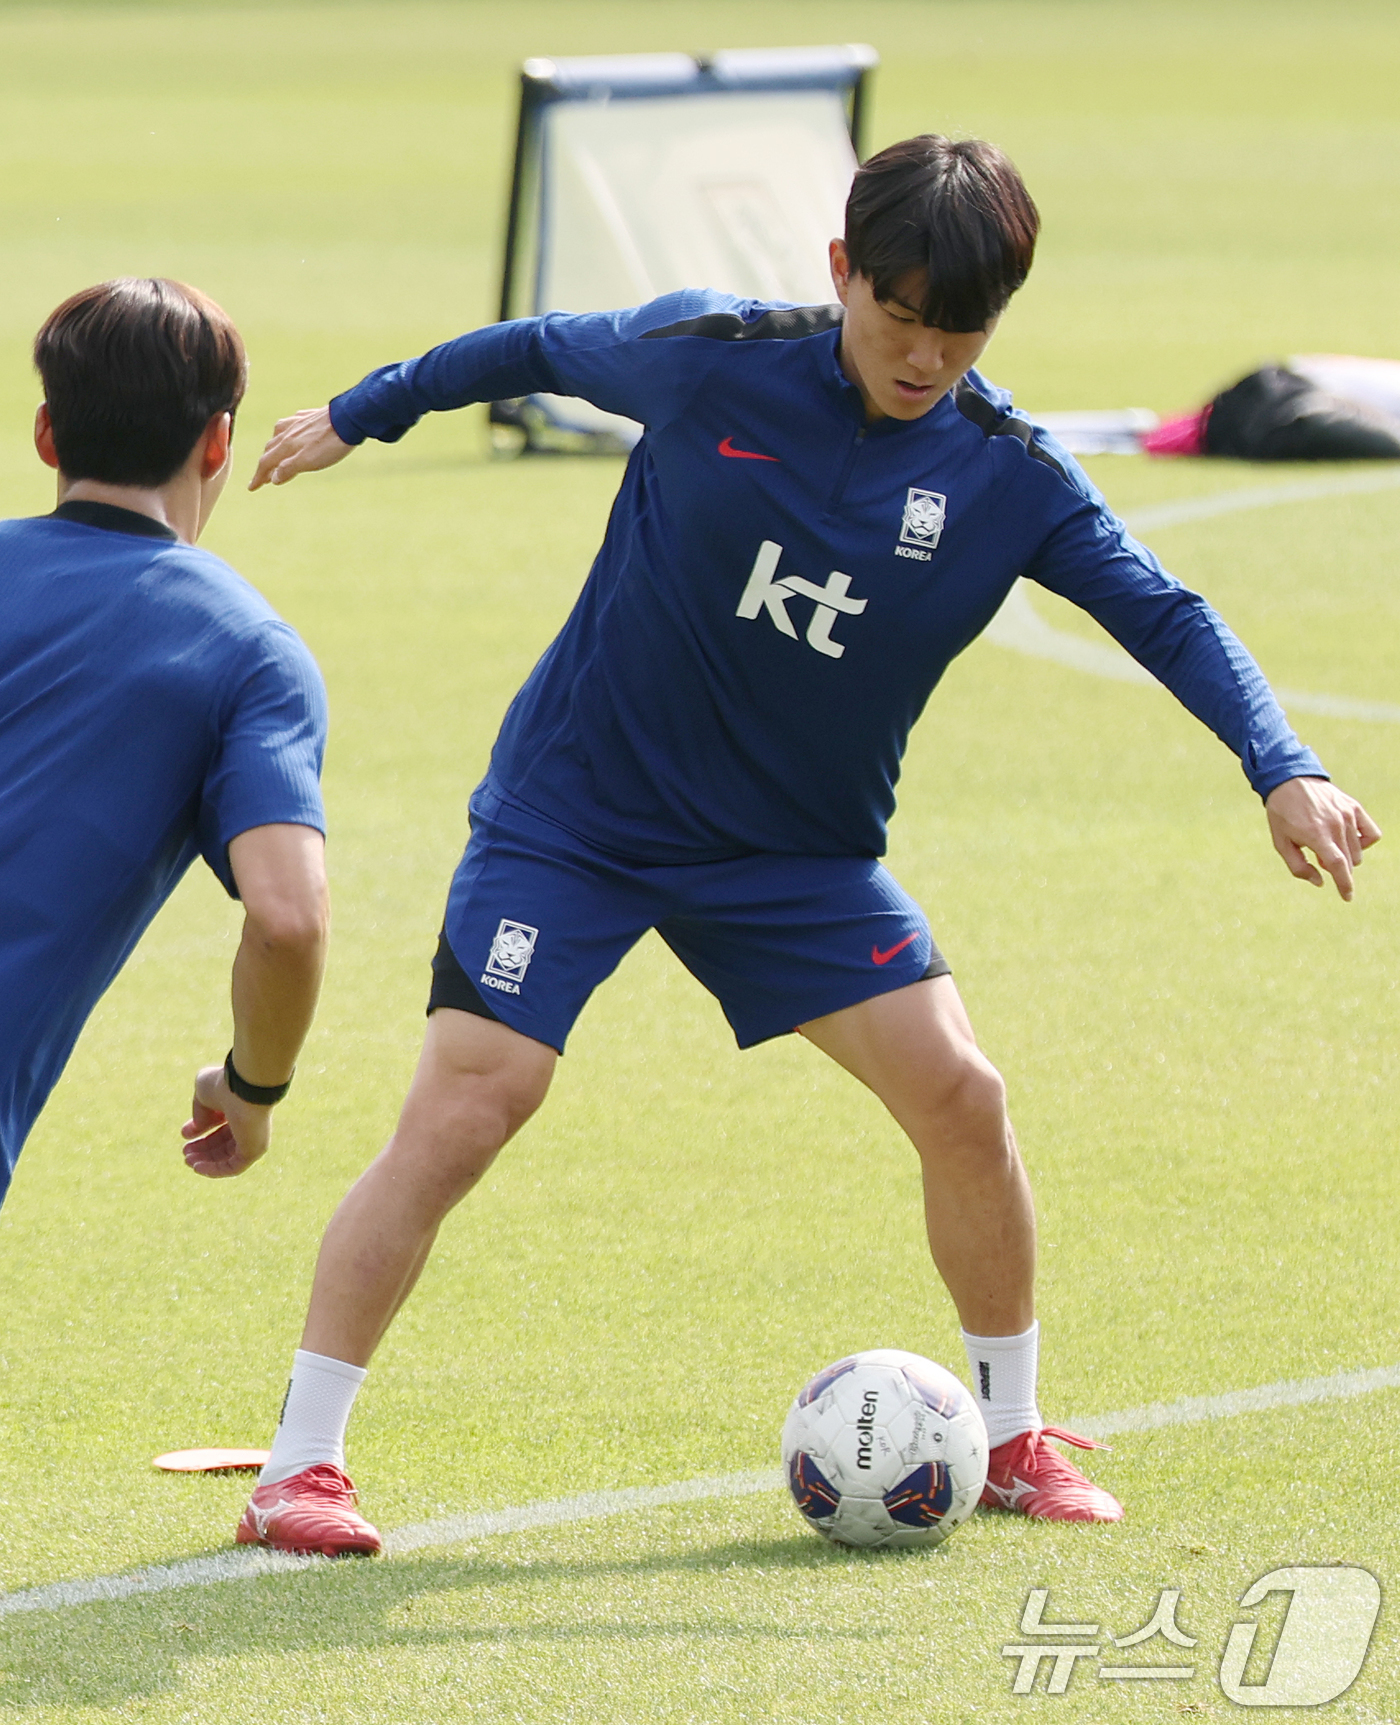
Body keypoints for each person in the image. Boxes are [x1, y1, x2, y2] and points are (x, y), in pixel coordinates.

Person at [235, 136, 1380, 1558]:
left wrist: (1286, 764)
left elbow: (1166, 612)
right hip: (576, 817)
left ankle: (1014, 1436)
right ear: (841, 271)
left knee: (962, 1093)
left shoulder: (1005, 471)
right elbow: (531, 343)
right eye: (899, 316)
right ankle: (300, 1469)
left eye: (959, 334)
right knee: (475, 1100)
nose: (924, 355)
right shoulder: (708, 356)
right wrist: (366, 409)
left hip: (795, 858)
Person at [0, 278, 329, 1226]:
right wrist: (252, 1087)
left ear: (46, 434)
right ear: (218, 440)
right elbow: (288, 919)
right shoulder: (247, 652)